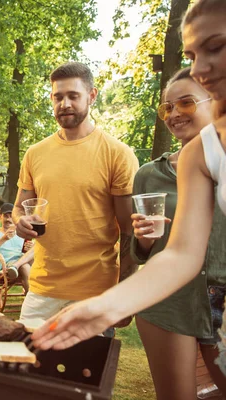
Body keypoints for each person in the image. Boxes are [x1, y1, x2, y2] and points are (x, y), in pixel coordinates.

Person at [32, 0, 226, 354]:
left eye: (215, 48)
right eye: (192, 55)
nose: (199, 69)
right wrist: (110, 304)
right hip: (168, 304)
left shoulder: (118, 153)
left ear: (90, 96)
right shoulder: (191, 159)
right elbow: (179, 254)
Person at [12, 62, 139, 335]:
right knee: (22, 367)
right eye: (58, 97)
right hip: (42, 288)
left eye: (73, 96)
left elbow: (128, 230)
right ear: (51, 99)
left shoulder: (117, 153)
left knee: (85, 374)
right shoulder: (35, 153)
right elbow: (18, 210)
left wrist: (125, 295)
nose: (65, 103)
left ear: (92, 96)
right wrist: (21, 222)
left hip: (95, 292)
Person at [130, 67, 226, 399]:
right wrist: (144, 239)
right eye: (167, 107)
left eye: (185, 102)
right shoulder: (148, 175)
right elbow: (141, 252)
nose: (174, 114)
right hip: (168, 302)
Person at [0, 203, 34, 291]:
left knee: (37, 248)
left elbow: (26, 251)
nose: (8, 219)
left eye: (11, 216)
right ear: (0, 217)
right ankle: (31, 299)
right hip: (7, 265)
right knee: (25, 267)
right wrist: (3, 239)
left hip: (23, 260)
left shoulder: (21, 233)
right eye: (6, 216)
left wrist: (29, 248)